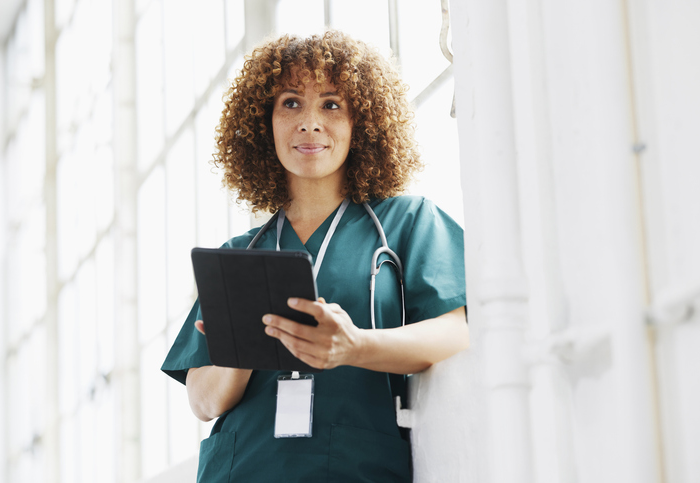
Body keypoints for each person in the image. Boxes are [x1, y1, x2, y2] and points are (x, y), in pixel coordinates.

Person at [161, 30, 469, 482]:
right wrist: (242, 348)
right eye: (290, 103)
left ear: (361, 121)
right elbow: (203, 402)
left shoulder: (406, 223)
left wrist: (356, 345)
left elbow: (458, 332)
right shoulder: (238, 255)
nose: (309, 122)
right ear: (263, 121)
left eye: (330, 104)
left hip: (352, 466)